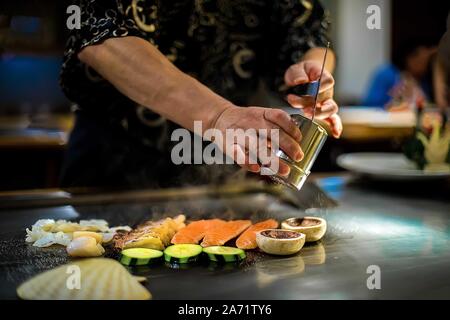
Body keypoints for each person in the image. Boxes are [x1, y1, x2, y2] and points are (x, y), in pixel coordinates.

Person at [60, 0, 342, 189]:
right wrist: (217, 116)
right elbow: (99, 34)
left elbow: (308, 33)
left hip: (218, 160)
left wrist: (312, 76)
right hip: (116, 156)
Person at [363, 39, 438, 109]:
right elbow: (371, 105)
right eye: (423, 60)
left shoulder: (423, 80)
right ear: (410, 59)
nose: (426, 65)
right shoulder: (387, 74)